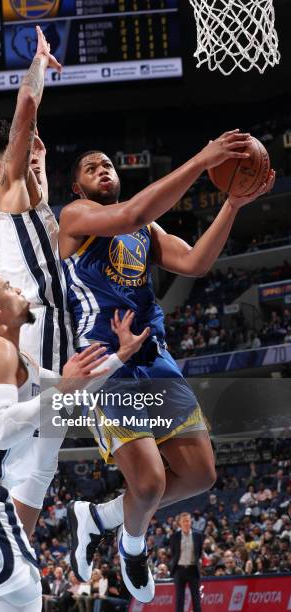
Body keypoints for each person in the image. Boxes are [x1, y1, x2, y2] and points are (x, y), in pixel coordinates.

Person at [61, 145, 275, 601]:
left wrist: (232, 206)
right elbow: (131, 212)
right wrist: (200, 161)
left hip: (154, 357)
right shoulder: (75, 217)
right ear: (77, 186)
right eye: (91, 167)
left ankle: (98, 519)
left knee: (200, 475)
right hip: (105, 361)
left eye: (108, 164)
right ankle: (132, 545)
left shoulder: (145, 229)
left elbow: (196, 262)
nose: (103, 169)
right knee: (152, 482)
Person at [0, 264, 150, 612]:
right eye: (8, 287)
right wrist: (63, 386)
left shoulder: (17, 357)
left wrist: (121, 356)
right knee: (26, 598)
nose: (19, 291)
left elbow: (70, 392)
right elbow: (1, 430)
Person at [0, 25, 72, 539]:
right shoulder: (6, 189)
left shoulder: (33, 197)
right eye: (25, 151)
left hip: (47, 323)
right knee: (39, 447)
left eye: (40, 152)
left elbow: (34, 138)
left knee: (43, 456)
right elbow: (25, 112)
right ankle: (1, 552)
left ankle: (10, 553)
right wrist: (37, 64)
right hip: (36, 323)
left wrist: (37, 144)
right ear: (2, 164)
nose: (35, 155)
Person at [169, 513, 203, 612]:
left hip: (193, 570)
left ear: (191, 521)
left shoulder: (198, 535)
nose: (186, 523)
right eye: (184, 521)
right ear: (180, 523)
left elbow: (199, 552)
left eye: (188, 520)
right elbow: (173, 553)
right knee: (179, 599)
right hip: (179, 570)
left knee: (196, 599)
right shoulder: (174, 537)